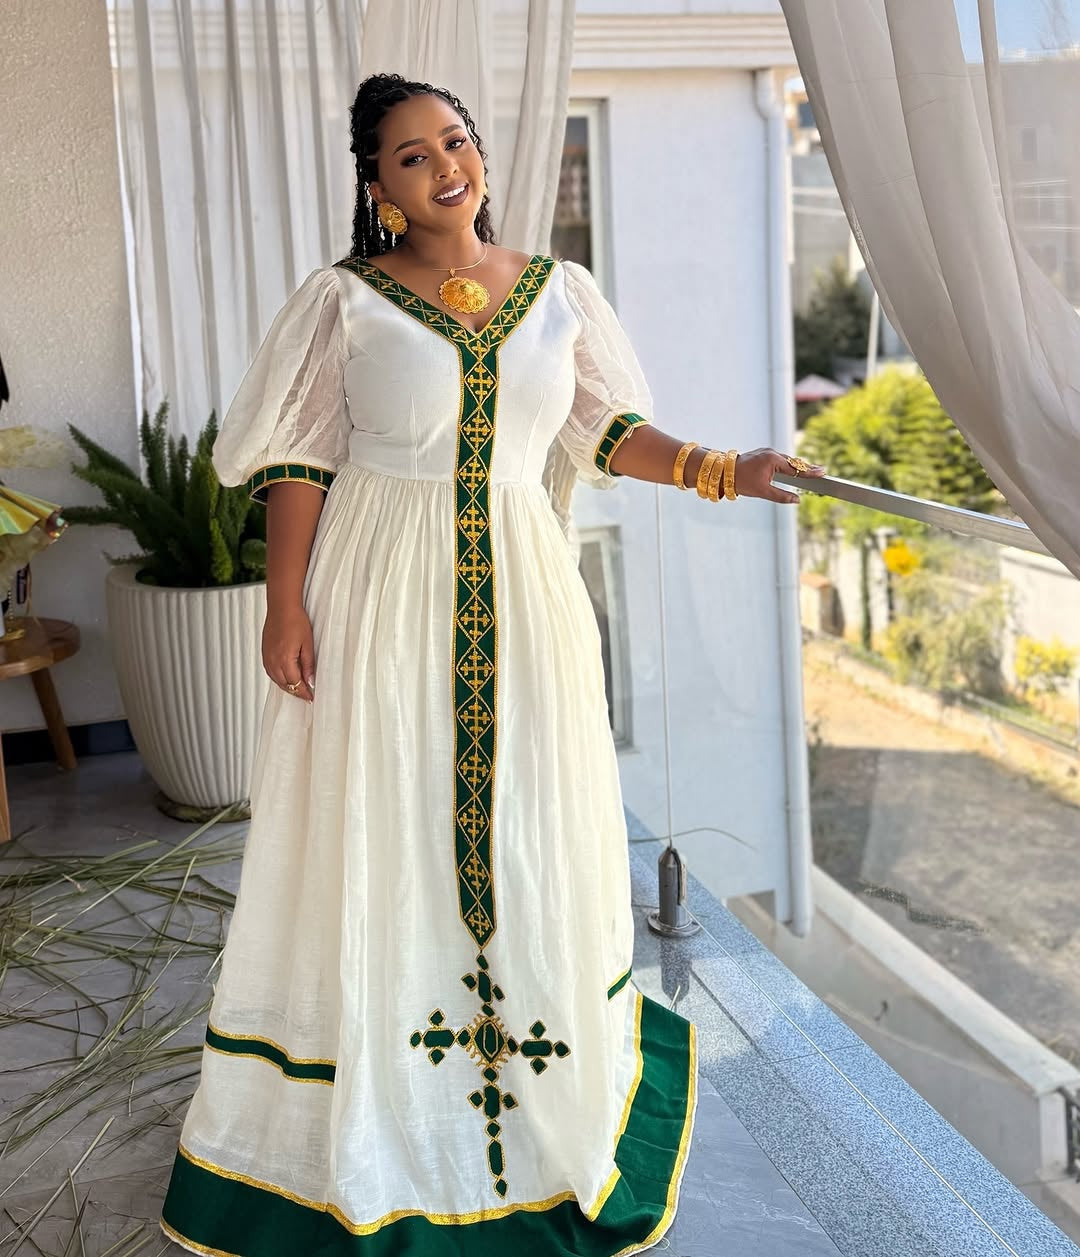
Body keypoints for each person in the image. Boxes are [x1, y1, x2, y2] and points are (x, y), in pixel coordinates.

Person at [159, 72, 826, 1257]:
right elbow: (302, 463)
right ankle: (375, 1102)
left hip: (524, 591)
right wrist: (285, 608)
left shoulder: (558, 291)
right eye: (412, 156)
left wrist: (728, 467)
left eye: (455, 142)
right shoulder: (344, 300)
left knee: (526, 818)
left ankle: (530, 1083)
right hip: (378, 589)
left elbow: (604, 432)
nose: (445, 166)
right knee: (384, 818)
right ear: (378, 187)